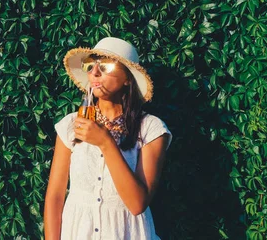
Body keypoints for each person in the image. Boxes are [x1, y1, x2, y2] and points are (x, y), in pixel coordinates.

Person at [44, 37, 172, 240]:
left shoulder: (151, 129)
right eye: (91, 66)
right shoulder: (70, 125)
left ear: (128, 78)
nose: (94, 73)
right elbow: (55, 196)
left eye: (106, 66)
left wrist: (105, 142)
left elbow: (137, 203)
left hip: (126, 233)